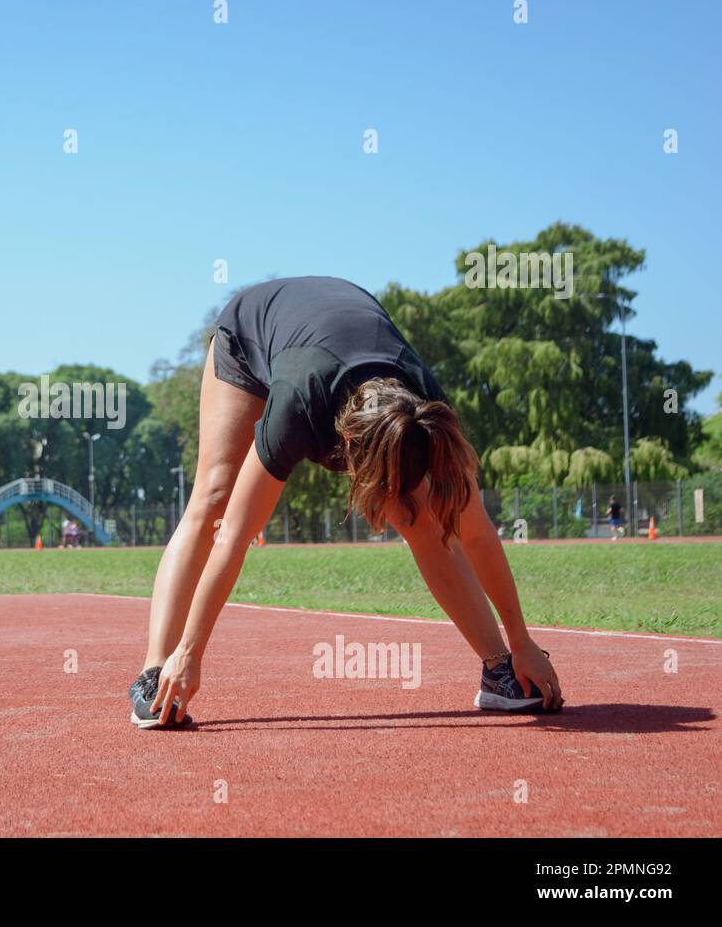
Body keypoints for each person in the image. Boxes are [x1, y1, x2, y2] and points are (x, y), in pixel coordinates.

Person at [129, 277, 564, 729]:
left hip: (344, 331)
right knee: (215, 498)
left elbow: (475, 532)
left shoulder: (426, 415)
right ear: (348, 449)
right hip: (252, 333)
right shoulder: (297, 409)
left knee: (420, 517)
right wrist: (188, 655)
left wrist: (522, 643)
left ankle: (497, 671)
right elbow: (233, 540)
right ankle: (154, 672)